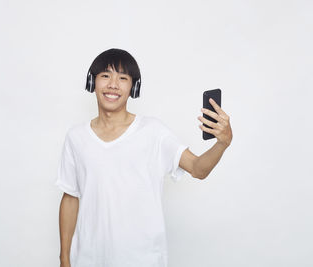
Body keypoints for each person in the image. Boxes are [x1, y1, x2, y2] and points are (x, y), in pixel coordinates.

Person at [55, 48, 233, 267]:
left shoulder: (154, 132)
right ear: (93, 82)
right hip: (89, 259)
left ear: (133, 87)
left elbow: (198, 169)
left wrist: (223, 143)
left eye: (122, 78)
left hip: (143, 259)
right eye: (105, 76)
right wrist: (64, 259)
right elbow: (70, 197)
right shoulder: (76, 137)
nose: (113, 84)